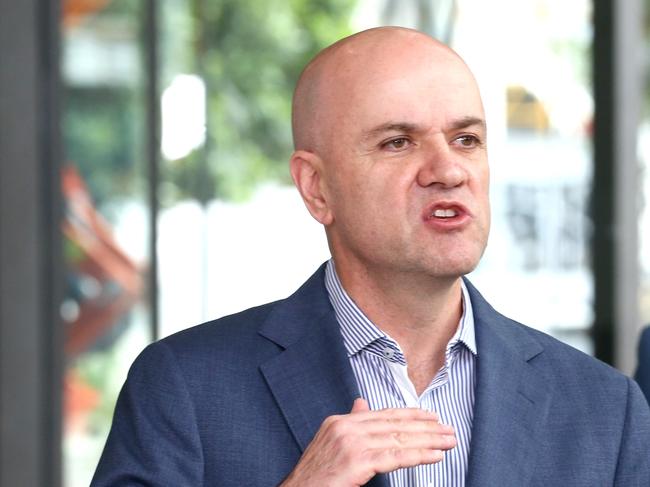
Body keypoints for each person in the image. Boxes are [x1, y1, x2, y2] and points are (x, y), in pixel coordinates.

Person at [91, 27, 650, 487]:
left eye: (466, 140)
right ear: (316, 188)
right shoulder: (184, 388)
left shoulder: (606, 409)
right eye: (397, 143)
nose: (447, 170)